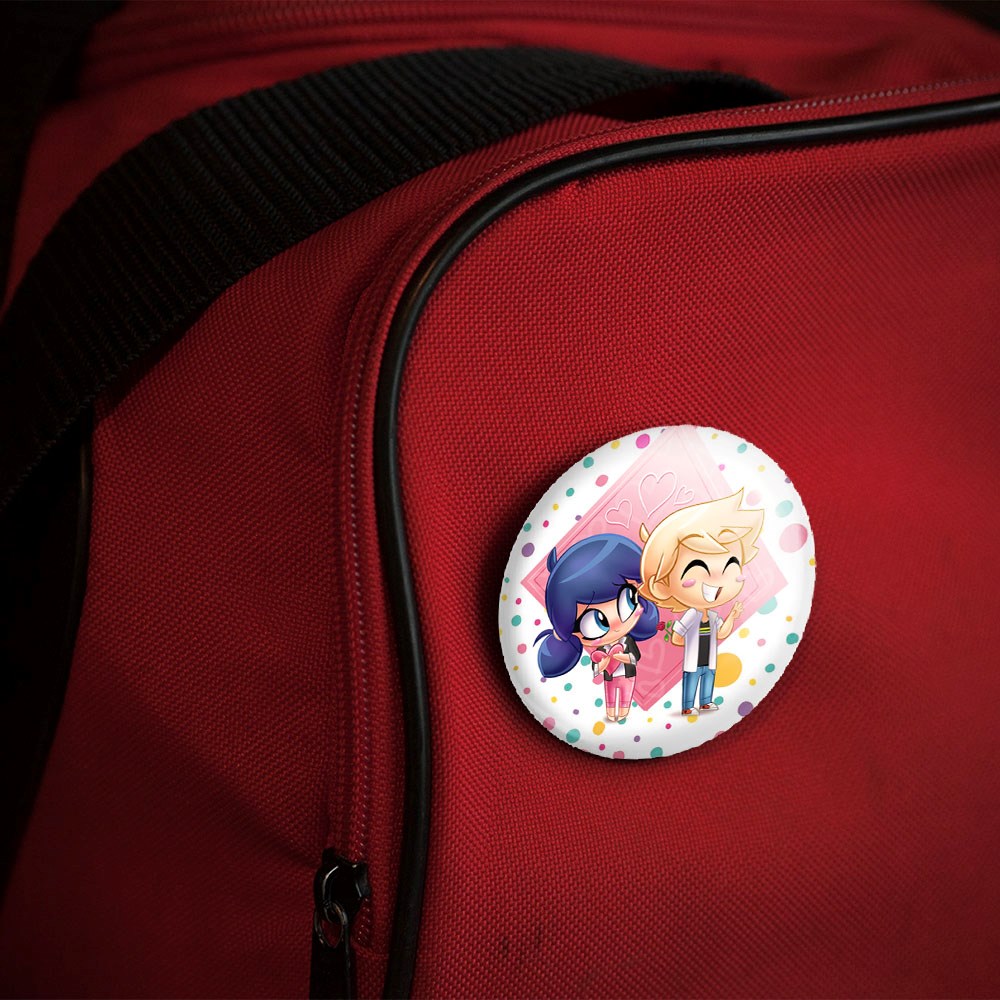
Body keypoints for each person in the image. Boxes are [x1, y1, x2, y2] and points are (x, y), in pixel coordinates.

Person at [637, 490, 764, 715]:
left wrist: (732, 616)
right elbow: (677, 638)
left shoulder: (713, 616)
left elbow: (722, 633)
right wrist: (689, 643)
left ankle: (705, 702)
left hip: (709, 659)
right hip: (693, 659)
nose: (717, 578)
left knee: (708, 678)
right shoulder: (691, 615)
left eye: (731, 564)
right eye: (699, 568)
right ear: (663, 585)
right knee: (692, 679)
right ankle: (688, 706)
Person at [535, 533, 659, 722]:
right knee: (610, 694)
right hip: (609, 677)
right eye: (594, 623)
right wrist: (603, 663)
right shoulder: (600, 650)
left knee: (625, 694)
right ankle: (611, 713)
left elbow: (634, 658)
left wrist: (619, 657)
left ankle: (623, 712)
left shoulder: (627, 641)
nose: (616, 624)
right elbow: (597, 668)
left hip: (627, 674)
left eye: (628, 601)